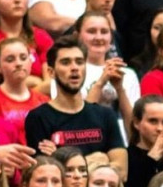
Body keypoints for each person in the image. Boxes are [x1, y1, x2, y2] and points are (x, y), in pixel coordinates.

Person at [23, 38, 127, 173]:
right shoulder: (38, 117)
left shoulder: (105, 115)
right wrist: (98, 160)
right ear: (51, 72)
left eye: (79, 62)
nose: (74, 68)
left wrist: (62, 158)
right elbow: (46, 173)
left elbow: (122, 171)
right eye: (66, 62)